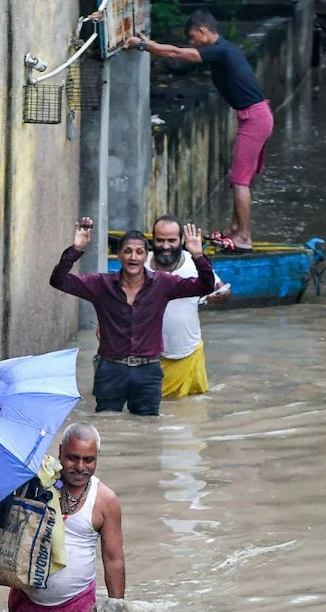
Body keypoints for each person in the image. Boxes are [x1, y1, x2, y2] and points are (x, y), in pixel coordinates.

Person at [125, 10, 275, 251]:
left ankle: (244, 237)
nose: (193, 43)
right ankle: (235, 229)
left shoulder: (220, 51)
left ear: (204, 31)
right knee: (238, 178)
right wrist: (150, 43)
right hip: (255, 117)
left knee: (240, 181)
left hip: (255, 118)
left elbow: (175, 53)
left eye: (194, 37)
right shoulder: (222, 50)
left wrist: (143, 45)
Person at [49, 216, 216, 416]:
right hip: (110, 370)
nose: (133, 257)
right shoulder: (102, 285)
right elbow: (59, 281)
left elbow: (206, 286)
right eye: (127, 251)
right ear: (118, 255)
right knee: (108, 424)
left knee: (148, 429)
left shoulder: (163, 284)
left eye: (139, 252)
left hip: (148, 372)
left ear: (146, 257)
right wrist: (76, 249)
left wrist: (198, 255)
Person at [8, 423, 125, 612]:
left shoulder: (105, 500)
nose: (80, 467)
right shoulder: (39, 483)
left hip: (78, 607)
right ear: (61, 452)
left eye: (89, 460)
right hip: (24, 602)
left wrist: (117, 608)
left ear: (97, 457)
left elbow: (113, 560)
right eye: (73, 458)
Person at [146, 214, 230, 398]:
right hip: (150, 357)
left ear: (181, 240)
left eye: (171, 240)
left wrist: (219, 295)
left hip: (189, 353)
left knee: (193, 410)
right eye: (160, 240)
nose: (166, 246)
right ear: (152, 240)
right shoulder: (141, 264)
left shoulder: (193, 263)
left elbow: (221, 289)